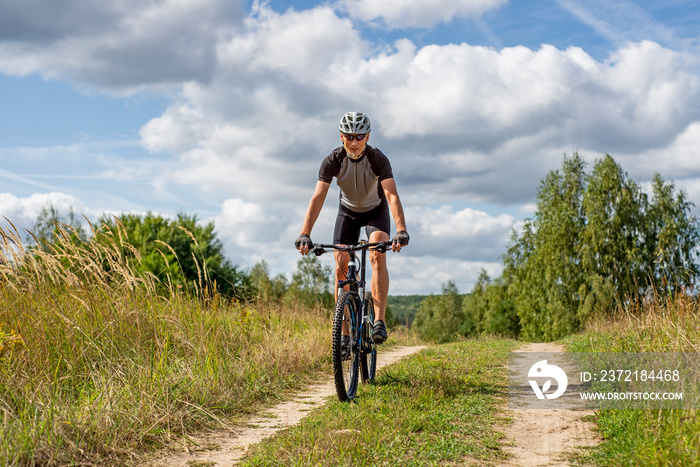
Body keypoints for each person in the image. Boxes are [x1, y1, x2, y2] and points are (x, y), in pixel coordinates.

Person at [295, 111, 409, 348]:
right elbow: (317, 197)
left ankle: (379, 321)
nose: (354, 142)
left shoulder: (378, 159)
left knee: (377, 253)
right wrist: (305, 233)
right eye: (349, 136)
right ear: (341, 136)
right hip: (347, 213)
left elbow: (392, 195)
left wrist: (401, 229)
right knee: (340, 269)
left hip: (375, 211)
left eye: (359, 137)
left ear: (367, 137)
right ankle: (344, 336)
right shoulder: (333, 160)